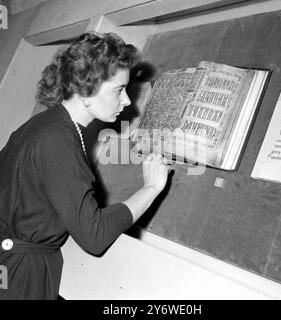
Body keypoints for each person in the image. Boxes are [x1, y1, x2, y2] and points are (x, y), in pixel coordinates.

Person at [0, 32, 169, 300]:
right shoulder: (59, 139)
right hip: (22, 277)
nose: (127, 100)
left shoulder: (43, 124)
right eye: (118, 90)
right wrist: (152, 187)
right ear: (85, 91)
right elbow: (95, 237)